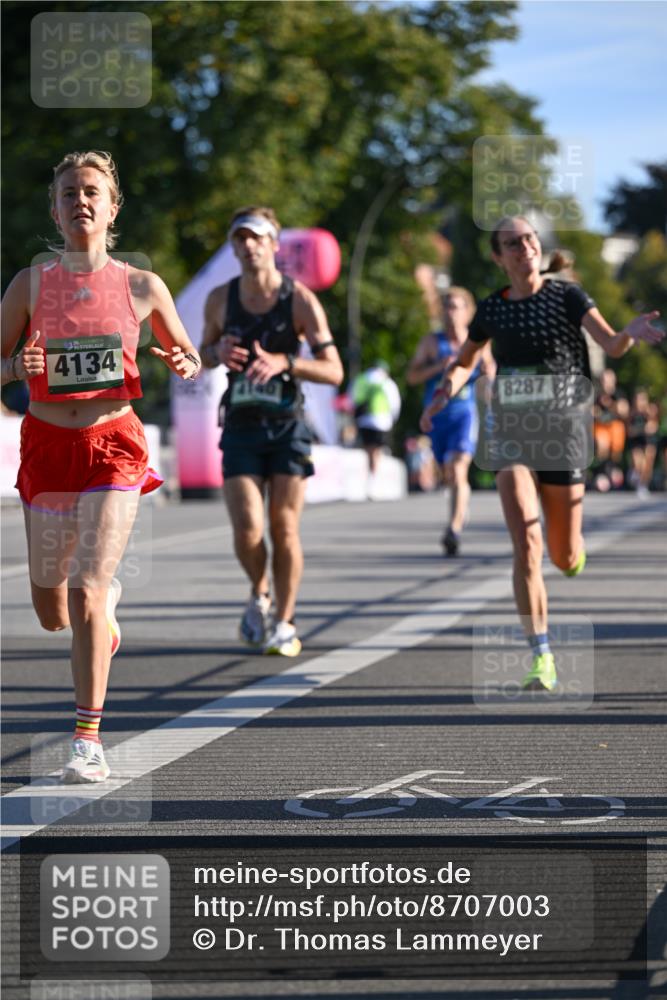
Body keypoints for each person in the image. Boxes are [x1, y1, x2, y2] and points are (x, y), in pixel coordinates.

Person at [1, 151, 200, 783]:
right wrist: (14, 369)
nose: (80, 201)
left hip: (114, 445)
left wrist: (183, 362)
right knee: (52, 610)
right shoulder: (29, 285)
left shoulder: (142, 286)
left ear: (113, 208)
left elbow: (184, 349)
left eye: (92, 192)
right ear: (54, 210)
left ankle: (87, 738)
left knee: (88, 587)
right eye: (68, 193)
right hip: (47, 449)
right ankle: (101, 618)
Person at [421, 215, 663, 691]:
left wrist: (630, 330)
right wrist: (444, 391)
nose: (523, 247)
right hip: (511, 431)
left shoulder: (567, 295)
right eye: (511, 243)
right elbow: (465, 360)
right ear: (499, 256)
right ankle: (541, 654)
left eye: (528, 239)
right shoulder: (492, 309)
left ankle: (572, 553)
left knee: (562, 554)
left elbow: (612, 344)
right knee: (526, 546)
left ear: (537, 247)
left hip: (563, 432)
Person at [200, 207, 343, 656]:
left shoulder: (298, 299)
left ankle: (285, 620)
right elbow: (201, 355)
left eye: (256, 238)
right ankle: (259, 592)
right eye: (239, 238)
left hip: (286, 426)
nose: (247, 246)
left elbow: (334, 370)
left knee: (284, 528)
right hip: (241, 424)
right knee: (247, 530)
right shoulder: (221, 299)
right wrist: (216, 349)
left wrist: (286, 362)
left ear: (274, 245)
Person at [407, 287, 495, 555]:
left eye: (456, 306)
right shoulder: (432, 343)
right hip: (436, 415)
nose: (450, 312)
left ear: (468, 312)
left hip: (465, 412)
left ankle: (453, 529)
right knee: (448, 474)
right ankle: (460, 505)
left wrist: (488, 374)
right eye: (447, 306)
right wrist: (439, 366)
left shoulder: (478, 342)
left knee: (458, 470)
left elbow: (490, 376)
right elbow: (412, 377)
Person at [351, 360, 401, 497]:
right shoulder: (387, 382)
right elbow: (394, 403)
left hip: (364, 420)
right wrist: (393, 420)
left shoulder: (361, 379)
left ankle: (371, 479)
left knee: (369, 451)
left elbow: (352, 398)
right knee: (376, 452)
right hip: (381, 420)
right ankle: (373, 481)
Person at [626, 388, 659, 498]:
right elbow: (630, 431)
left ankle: (643, 484)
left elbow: (653, 426)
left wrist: (649, 424)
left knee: (648, 464)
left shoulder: (650, 411)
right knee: (638, 462)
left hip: (648, 440)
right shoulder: (632, 413)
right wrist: (640, 430)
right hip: (636, 441)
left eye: (642, 400)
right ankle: (634, 474)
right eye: (638, 400)